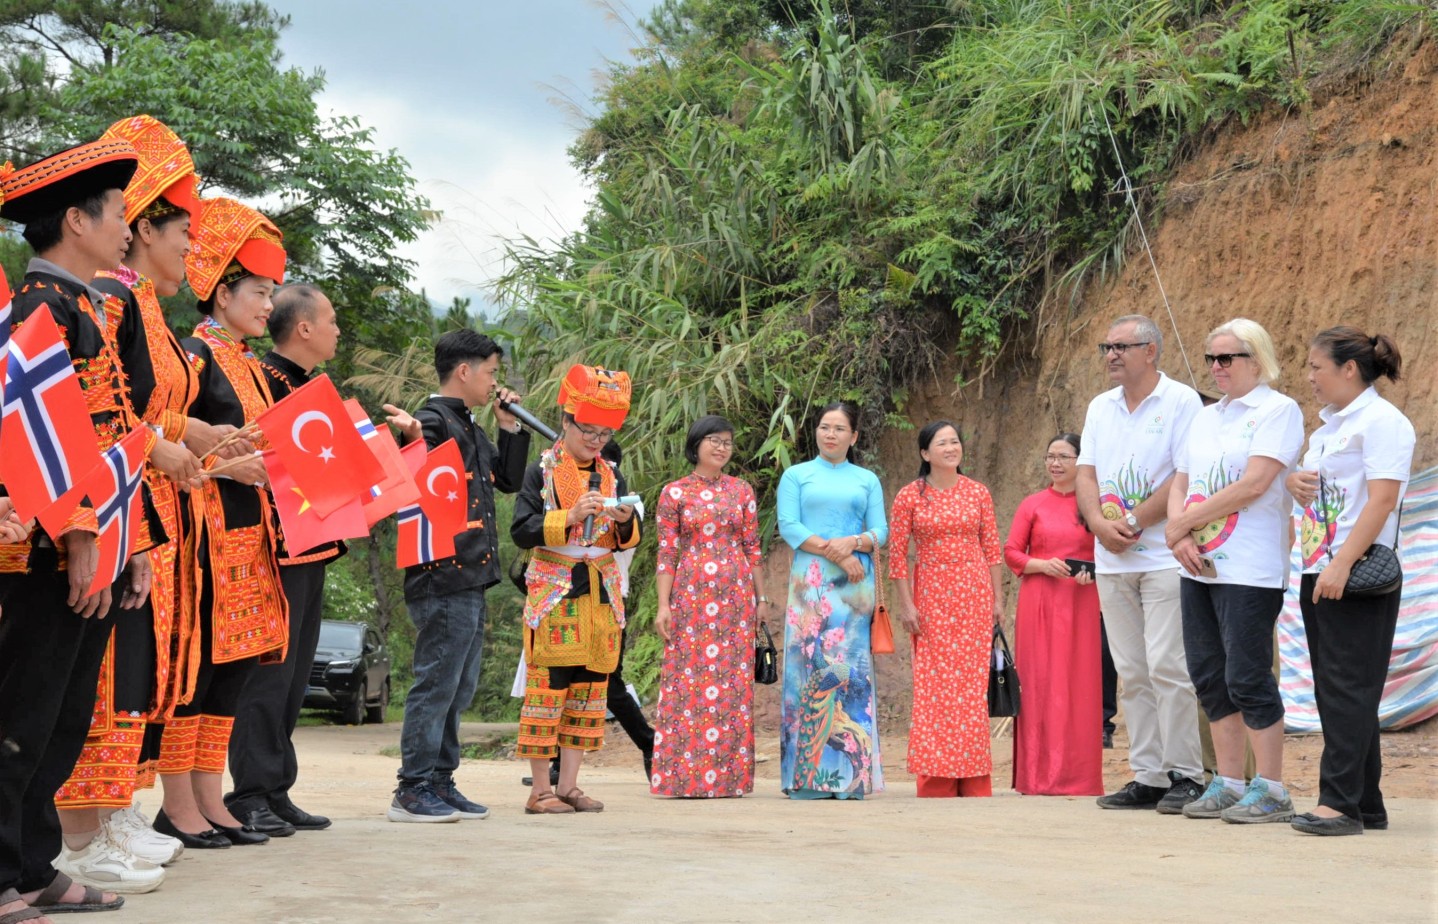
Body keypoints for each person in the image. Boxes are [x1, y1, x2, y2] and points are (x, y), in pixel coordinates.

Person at [50, 115, 205, 889]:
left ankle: (111, 814)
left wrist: (200, 443)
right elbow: (104, 414)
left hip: (142, 510)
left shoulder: (141, 305)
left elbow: (151, 413)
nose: (191, 248)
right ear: (138, 228)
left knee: (130, 674)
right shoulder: (103, 300)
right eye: (182, 229)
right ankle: (82, 829)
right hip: (109, 506)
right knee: (103, 672)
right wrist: (164, 449)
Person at [0, 137, 153, 919]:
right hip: (43, 555)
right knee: (20, 718)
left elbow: (114, 435)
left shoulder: (89, 306)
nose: (128, 229)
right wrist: (83, 537)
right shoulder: (37, 312)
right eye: (121, 214)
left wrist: (135, 546)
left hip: (94, 548)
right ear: (74, 219)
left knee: (60, 720)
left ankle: (34, 864)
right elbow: (35, 445)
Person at [154, 197, 291, 850]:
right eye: (259, 292)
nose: (269, 305)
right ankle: (177, 803)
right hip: (201, 535)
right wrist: (227, 467)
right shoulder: (194, 358)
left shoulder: (251, 364)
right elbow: (171, 445)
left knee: (233, 669)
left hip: (249, 536)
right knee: (198, 667)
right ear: (223, 290)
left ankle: (212, 800)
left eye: (271, 293)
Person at [383, 329, 530, 822]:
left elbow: (506, 480)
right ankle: (413, 787)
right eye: (490, 372)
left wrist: (509, 426)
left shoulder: (468, 424)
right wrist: (410, 439)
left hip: (470, 574)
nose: (494, 383)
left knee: (459, 684)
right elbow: (409, 472)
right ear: (464, 371)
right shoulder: (431, 421)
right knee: (437, 682)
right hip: (441, 574)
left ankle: (441, 781)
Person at [1163, 319, 1304, 823]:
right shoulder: (1205, 418)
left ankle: (1272, 788)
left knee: (1249, 675)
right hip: (1198, 565)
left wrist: (1181, 524)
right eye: (1211, 359)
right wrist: (1179, 533)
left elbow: (1255, 484)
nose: (1217, 368)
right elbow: (1181, 478)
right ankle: (1228, 782)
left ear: (1256, 358)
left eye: (1228, 358)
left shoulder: (1277, 410)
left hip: (1250, 566)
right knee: (1208, 675)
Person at [223, 283, 345, 834]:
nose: (337, 330)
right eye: (331, 320)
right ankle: (248, 792)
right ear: (304, 328)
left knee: (294, 678)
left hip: (311, 542)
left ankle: (275, 789)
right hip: (271, 543)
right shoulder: (260, 379)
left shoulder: (310, 384)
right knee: (267, 677)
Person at [1286, 327, 1414, 836]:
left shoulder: (1383, 422)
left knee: (1348, 689)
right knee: (1337, 689)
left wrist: (1342, 564)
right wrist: (1297, 482)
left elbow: (1382, 500)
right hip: (1320, 567)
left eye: (1317, 367)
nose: (1310, 377)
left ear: (1349, 369)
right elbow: (1329, 491)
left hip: (1355, 573)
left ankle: (1338, 804)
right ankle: (1366, 801)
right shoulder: (1328, 429)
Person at [1076, 314, 1206, 814]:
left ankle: (1187, 774)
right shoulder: (1099, 407)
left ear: (1151, 351)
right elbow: (1086, 471)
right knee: (1131, 670)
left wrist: (1130, 521)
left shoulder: (1180, 401)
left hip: (1164, 555)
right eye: (1106, 346)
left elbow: (1183, 475)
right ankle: (1148, 775)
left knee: (1169, 665)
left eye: (1122, 347)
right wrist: (1097, 523)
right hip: (1110, 557)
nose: (1111, 354)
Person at [511, 364, 638, 815]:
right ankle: (539, 789)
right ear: (566, 423)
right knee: (548, 689)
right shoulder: (539, 472)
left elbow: (629, 535)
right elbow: (521, 530)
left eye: (604, 433)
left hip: (601, 592)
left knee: (589, 689)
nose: (595, 439)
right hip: (555, 590)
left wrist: (625, 521)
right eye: (588, 429)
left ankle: (569, 786)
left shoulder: (613, 475)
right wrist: (566, 517)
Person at [777, 402, 887, 799]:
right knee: (807, 667)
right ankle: (803, 780)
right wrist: (839, 553)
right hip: (811, 583)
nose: (831, 434)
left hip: (853, 590)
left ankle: (851, 781)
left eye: (840, 429)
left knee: (852, 676)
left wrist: (856, 544)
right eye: (825, 427)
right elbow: (789, 525)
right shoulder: (796, 475)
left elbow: (880, 531)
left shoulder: (866, 479)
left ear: (854, 437)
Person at [890, 421, 1003, 798]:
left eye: (956, 440)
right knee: (934, 687)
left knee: (971, 689)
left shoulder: (978, 493)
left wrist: (998, 600)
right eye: (942, 442)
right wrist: (906, 604)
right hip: (931, 596)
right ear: (925, 453)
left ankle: (973, 779)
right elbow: (896, 558)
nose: (951, 447)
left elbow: (992, 549)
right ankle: (937, 778)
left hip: (973, 594)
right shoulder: (910, 496)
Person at [651, 415, 761, 798]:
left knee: (732, 687)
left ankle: (729, 779)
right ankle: (683, 777)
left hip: (736, 599)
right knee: (688, 685)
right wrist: (663, 605)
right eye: (713, 440)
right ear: (695, 444)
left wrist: (760, 600)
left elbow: (753, 549)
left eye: (728, 442)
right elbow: (667, 553)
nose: (721, 447)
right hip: (690, 597)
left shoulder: (742, 490)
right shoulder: (674, 493)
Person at [1004, 433, 1104, 796]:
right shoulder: (1032, 504)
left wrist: (1089, 570)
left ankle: (1079, 776)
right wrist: (1042, 566)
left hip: (1081, 600)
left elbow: (1108, 551)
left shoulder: (1094, 507)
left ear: (1082, 461)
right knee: (1039, 683)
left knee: (1080, 684)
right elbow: (1012, 552)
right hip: (1040, 601)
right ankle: (1035, 776)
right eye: (1050, 456)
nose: (1056, 463)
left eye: (1064, 456)